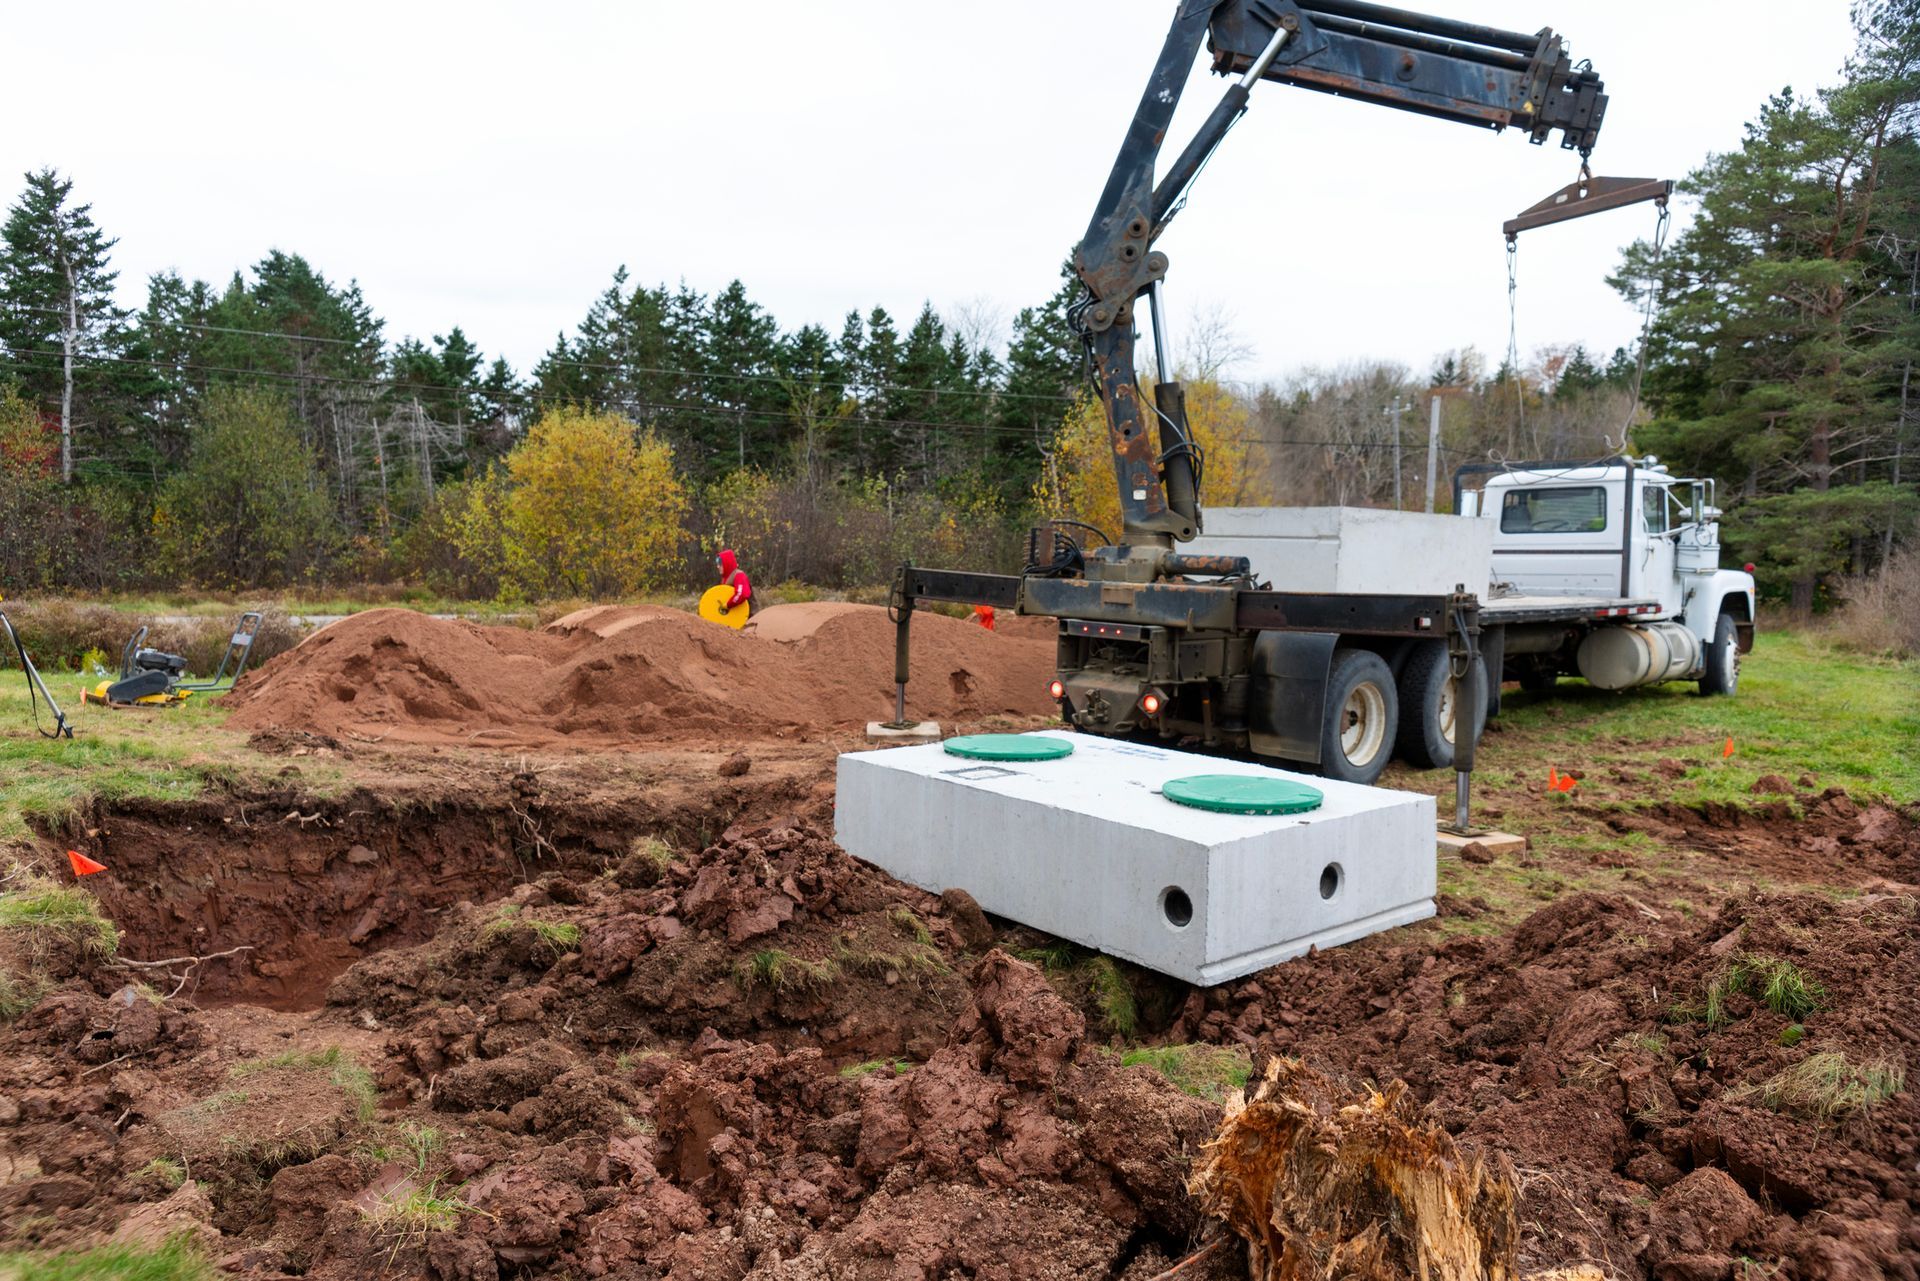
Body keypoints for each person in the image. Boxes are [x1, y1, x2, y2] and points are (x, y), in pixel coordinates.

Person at [716, 548, 753, 617]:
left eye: (720, 563)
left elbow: (742, 594)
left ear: (727, 563)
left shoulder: (739, 575)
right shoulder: (725, 578)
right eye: (717, 563)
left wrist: (728, 605)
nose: (718, 566)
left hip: (750, 616)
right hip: (734, 616)